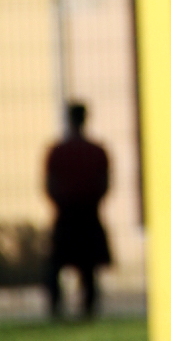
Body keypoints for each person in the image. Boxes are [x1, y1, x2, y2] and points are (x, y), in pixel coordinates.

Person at [45, 102, 111, 318]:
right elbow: (104, 183)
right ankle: (88, 308)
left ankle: (55, 307)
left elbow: (49, 184)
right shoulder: (96, 151)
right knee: (88, 264)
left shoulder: (57, 151)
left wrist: (62, 201)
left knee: (56, 263)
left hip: (66, 212)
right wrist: (92, 200)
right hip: (89, 211)